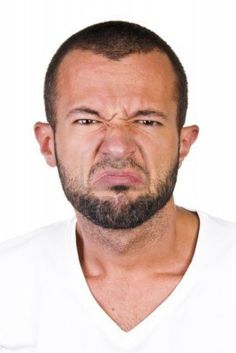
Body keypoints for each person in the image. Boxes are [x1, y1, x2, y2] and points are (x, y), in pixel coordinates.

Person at [0, 21, 235, 353]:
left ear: (183, 143)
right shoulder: (6, 283)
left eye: (146, 121)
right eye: (87, 120)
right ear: (48, 143)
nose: (118, 147)